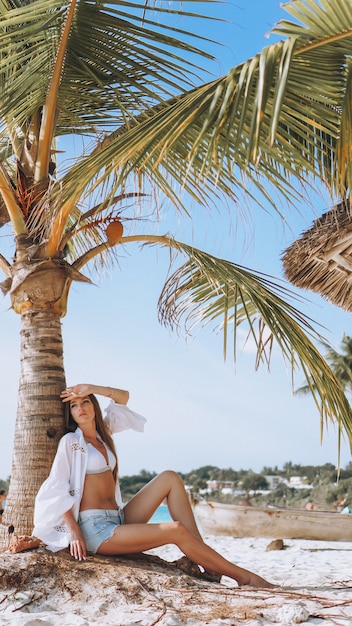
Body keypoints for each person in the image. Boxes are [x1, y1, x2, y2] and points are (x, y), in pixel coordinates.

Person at [33, 383, 274, 588]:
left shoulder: (104, 434)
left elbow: (123, 398)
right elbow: (57, 487)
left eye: (85, 402)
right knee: (175, 529)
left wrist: (92, 388)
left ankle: (205, 558)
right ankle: (245, 578)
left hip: (118, 518)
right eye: (74, 406)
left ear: (93, 406)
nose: (80, 409)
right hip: (96, 530)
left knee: (169, 478)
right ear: (70, 414)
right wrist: (74, 532)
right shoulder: (72, 443)